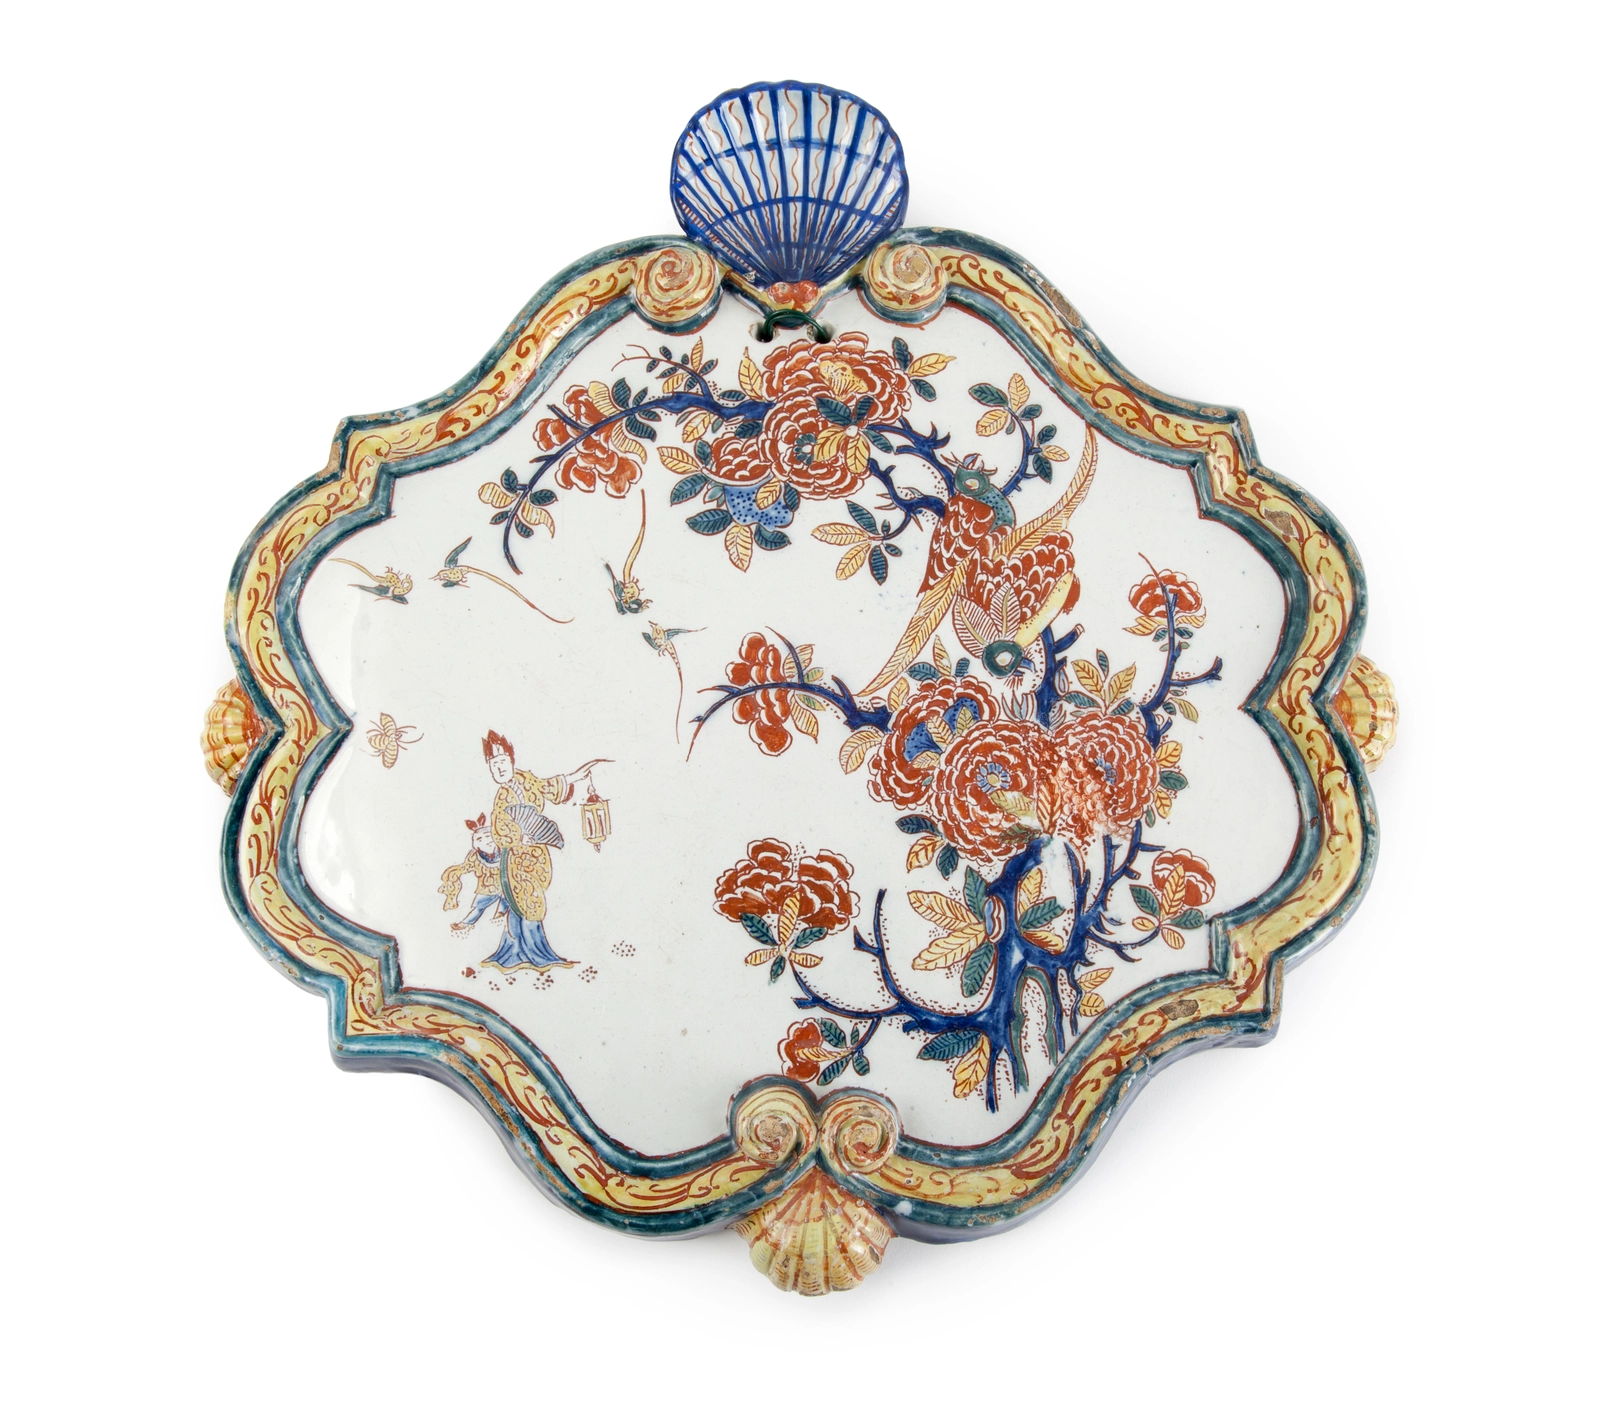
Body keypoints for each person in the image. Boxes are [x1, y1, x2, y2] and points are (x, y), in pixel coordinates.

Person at [479, 730, 604, 971]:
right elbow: (498, 828)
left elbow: (547, 786)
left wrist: (574, 777)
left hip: (536, 856)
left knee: (527, 901)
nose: (499, 768)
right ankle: (533, 953)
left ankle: (517, 952)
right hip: (515, 860)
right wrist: (519, 837)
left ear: (511, 761)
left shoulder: (526, 780)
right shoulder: (502, 797)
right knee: (526, 901)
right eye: (494, 765)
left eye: (502, 761)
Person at [438, 813, 505, 932]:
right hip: (487, 887)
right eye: (480, 839)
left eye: (488, 836)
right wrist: (456, 872)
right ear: (476, 843)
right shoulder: (475, 857)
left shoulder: (504, 850)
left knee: (507, 897)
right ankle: (466, 923)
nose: (487, 841)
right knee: (479, 906)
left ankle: (501, 912)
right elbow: (466, 867)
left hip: (505, 883)